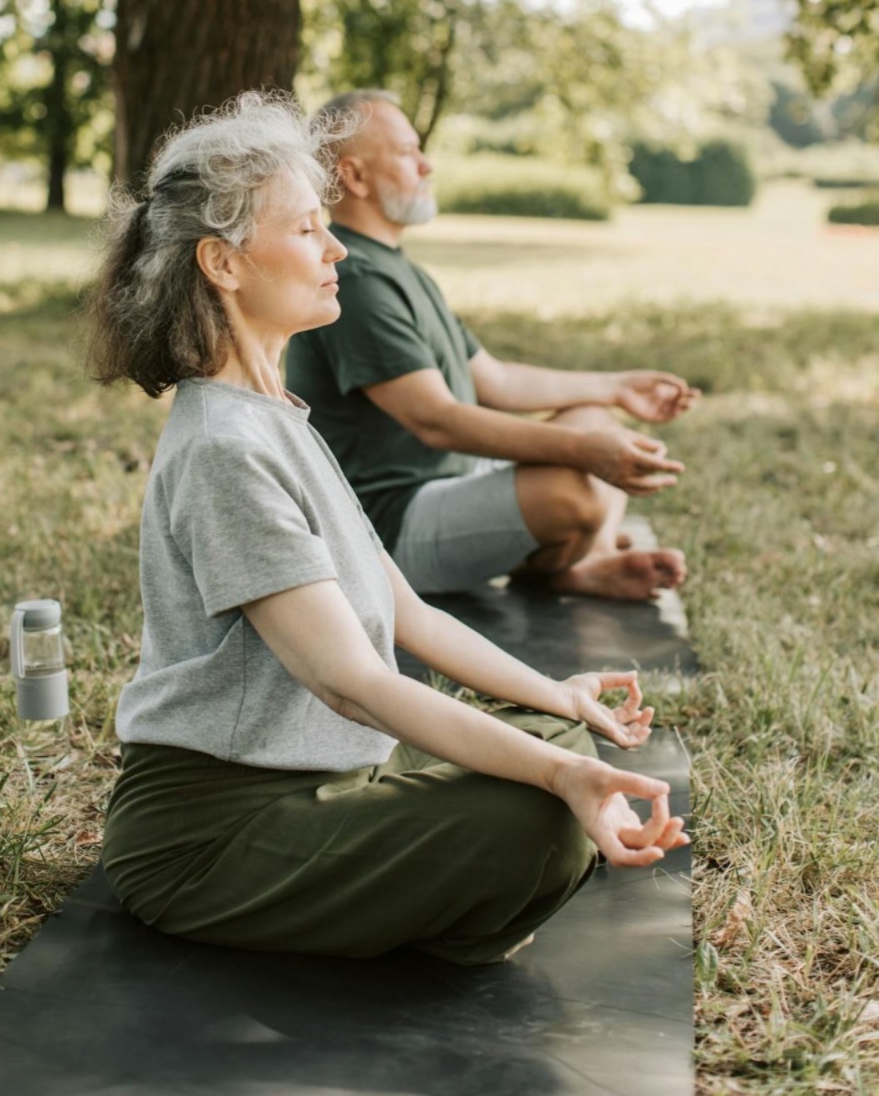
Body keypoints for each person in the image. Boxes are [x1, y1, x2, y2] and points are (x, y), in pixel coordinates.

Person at [86, 92, 688, 966]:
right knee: (542, 818)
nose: (335, 250)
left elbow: (411, 615)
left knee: (556, 736)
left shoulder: (276, 416)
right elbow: (352, 683)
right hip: (213, 834)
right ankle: (434, 897)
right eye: (305, 231)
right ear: (222, 262)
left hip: (334, 776)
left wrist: (559, 699)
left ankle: (428, 882)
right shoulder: (224, 447)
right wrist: (561, 777)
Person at [287, 89, 701, 600]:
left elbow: (496, 380)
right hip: (387, 528)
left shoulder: (397, 268)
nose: (426, 165)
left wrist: (616, 388)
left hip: (451, 484)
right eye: (407, 152)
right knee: (574, 491)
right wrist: (584, 452)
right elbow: (435, 420)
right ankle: (573, 559)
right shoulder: (357, 280)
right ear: (354, 177)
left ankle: (584, 564)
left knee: (595, 418)